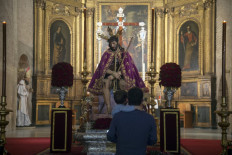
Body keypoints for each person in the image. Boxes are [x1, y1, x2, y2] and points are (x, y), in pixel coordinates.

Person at [88, 28, 147, 114]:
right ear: (109, 44)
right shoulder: (107, 53)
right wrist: (112, 73)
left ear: (117, 42)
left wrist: (118, 73)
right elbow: (102, 68)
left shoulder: (123, 53)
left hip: (121, 75)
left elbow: (128, 67)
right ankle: (108, 106)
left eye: (114, 43)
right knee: (106, 83)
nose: (113, 45)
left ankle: (126, 106)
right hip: (109, 75)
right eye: (111, 43)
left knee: (123, 84)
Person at [107, 87, 157, 155]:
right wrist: (142, 141)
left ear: (127, 100)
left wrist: (120, 140)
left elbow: (110, 136)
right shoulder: (149, 118)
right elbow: (153, 140)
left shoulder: (118, 116)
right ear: (142, 100)